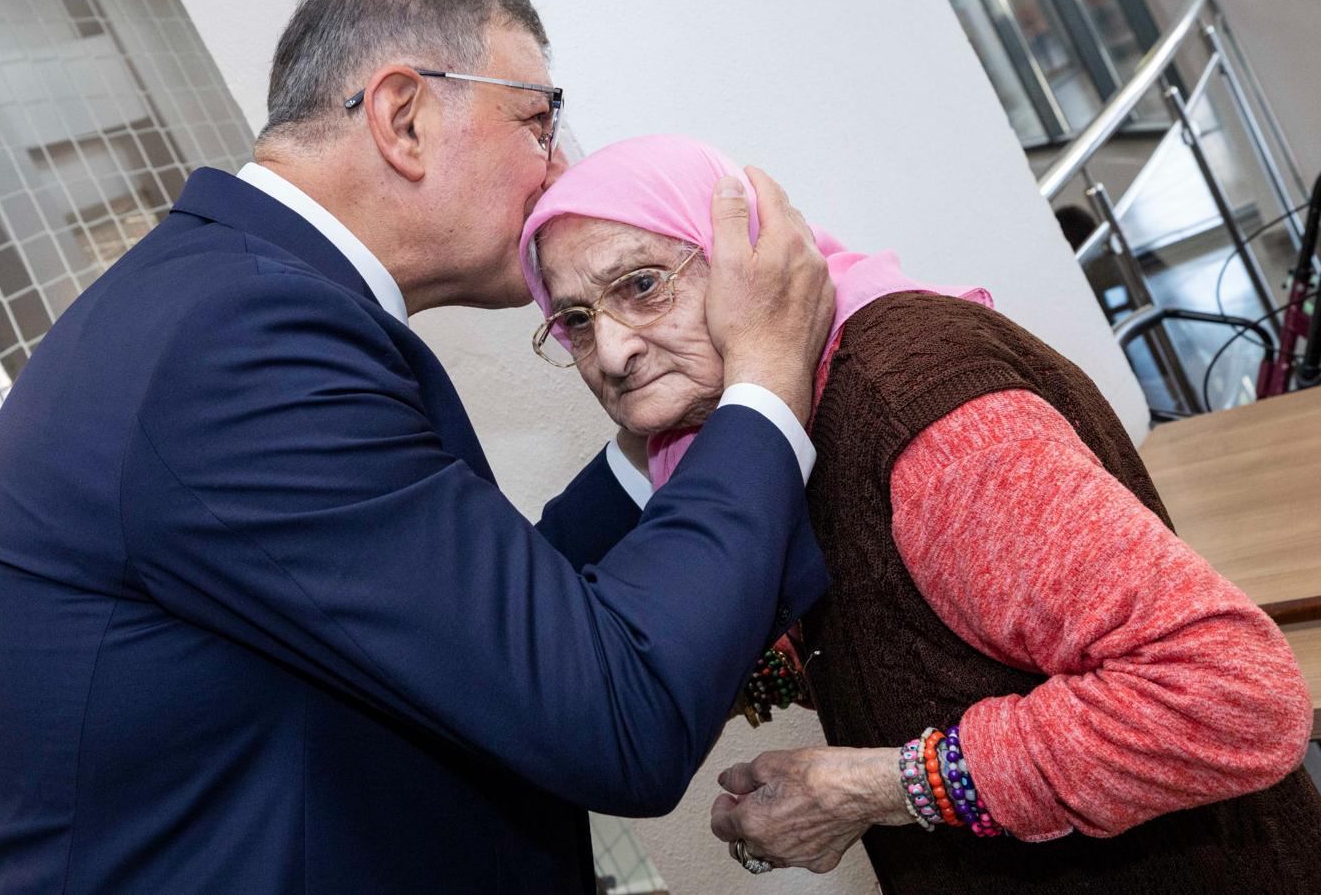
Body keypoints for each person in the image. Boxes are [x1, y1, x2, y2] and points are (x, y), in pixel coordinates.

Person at [0, 0, 836, 893]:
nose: (560, 169)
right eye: (537, 121)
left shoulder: (223, 306)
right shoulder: (242, 343)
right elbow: (617, 716)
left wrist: (654, 444)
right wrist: (766, 381)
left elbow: (477, 630)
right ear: (403, 117)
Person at [519, 134, 1321, 893]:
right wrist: (769, 670)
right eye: (577, 321)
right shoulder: (786, 418)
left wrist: (880, 788)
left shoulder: (915, 415)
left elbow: (1229, 695)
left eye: (643, 286)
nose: (614, 352)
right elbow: (924, 613)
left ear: (749, 257)